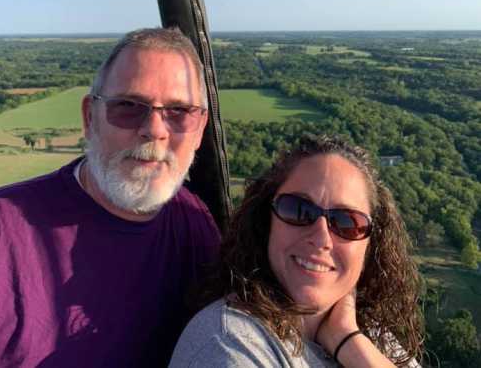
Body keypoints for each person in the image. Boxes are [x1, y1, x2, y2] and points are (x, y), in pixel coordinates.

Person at [0, 27, 220, 368]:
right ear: (89, 117)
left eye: (179, 112)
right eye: (128, 106)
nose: (154, 130)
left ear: (199, 130)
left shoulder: (197, 226)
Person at [169, 133, 423, 367]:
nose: (321, 237)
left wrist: (347, 339)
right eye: (298, 210)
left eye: (347, 223)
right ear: (265, 221)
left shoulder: (372, 334)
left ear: (370, 245)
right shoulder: (228, 344)